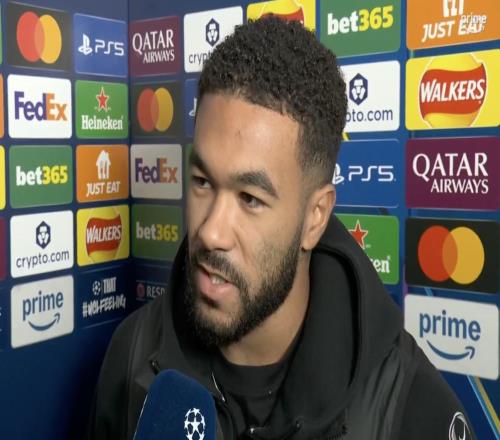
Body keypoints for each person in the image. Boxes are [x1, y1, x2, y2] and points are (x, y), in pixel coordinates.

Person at [87, 17, 475, 440]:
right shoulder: (133, 352)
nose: (211, 232)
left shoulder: (409, 408)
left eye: (250, 199)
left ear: (315, 218)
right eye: (202, 181)